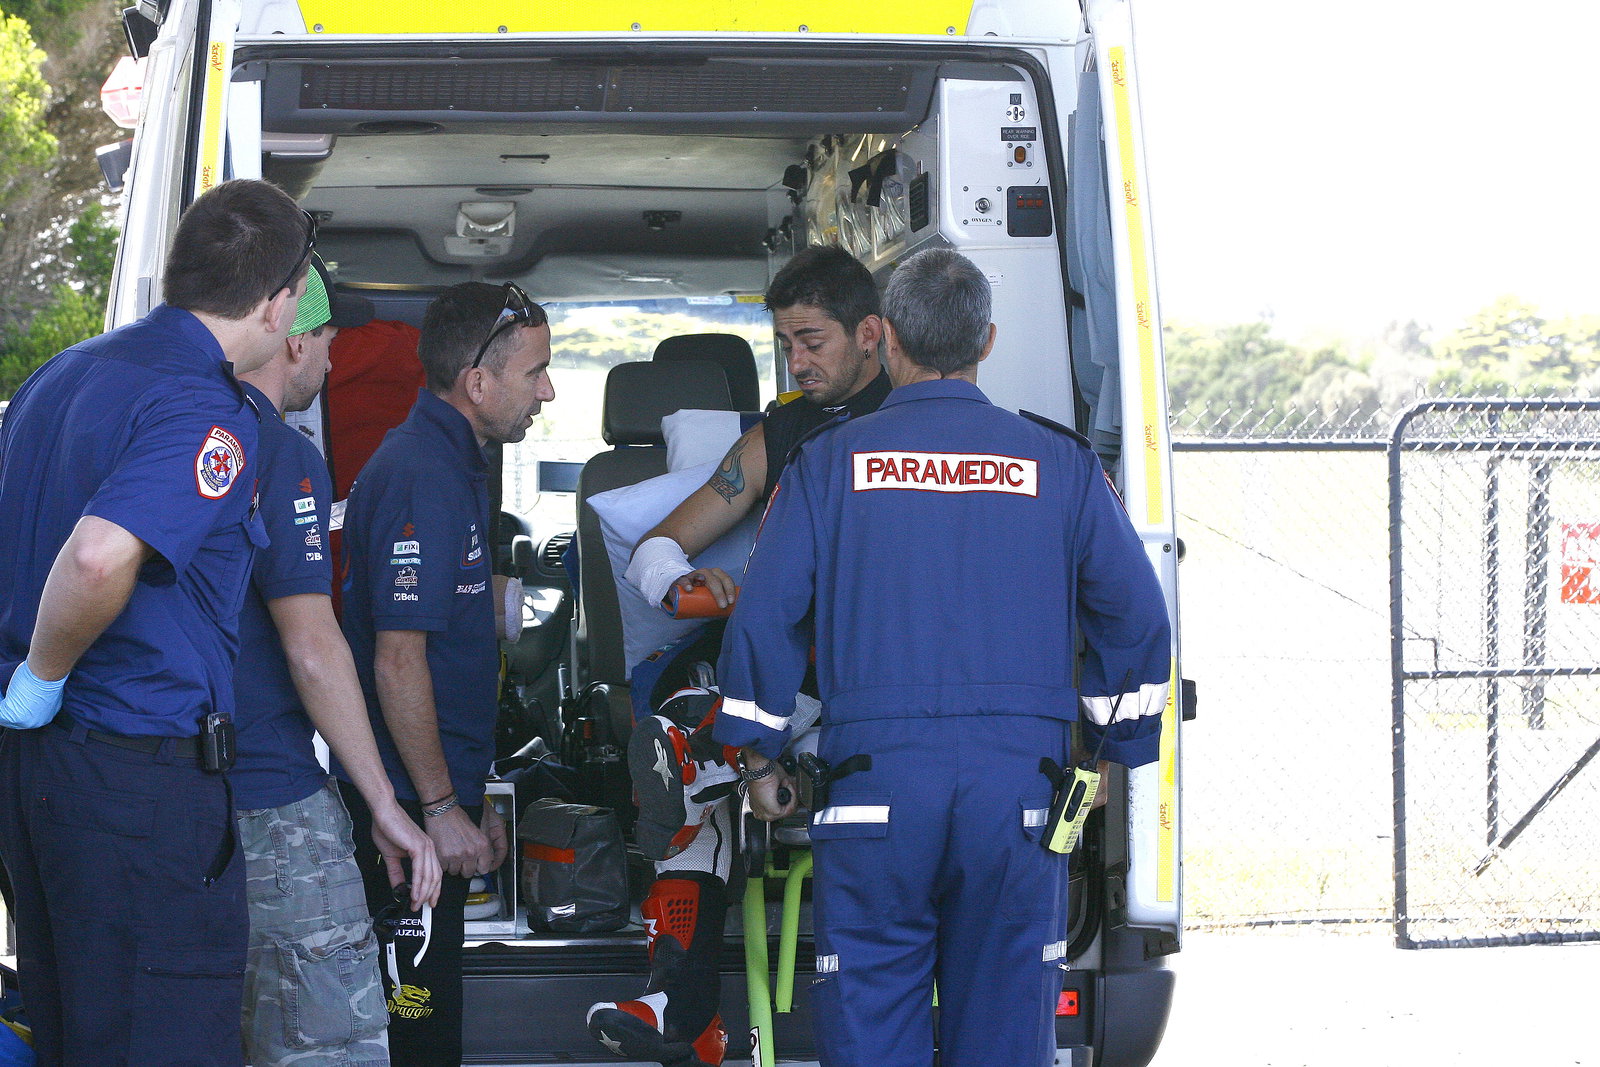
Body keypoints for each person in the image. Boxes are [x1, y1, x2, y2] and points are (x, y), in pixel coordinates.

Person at [712, 248, 1173, 1067]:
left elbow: (763, 617)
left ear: (885, 339)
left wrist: (760, 760)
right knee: (1003, 1034)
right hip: (1022, 801)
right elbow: (1137, 619)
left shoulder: (827, 464)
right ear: (987, 341)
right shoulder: (1061, 464)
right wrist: (1110, 756)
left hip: (872, 791)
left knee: (871, 1028)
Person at [0, 178, 310, 1066]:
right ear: (276, 301)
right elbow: (99, 557)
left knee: (77, 1034)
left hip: (40, 780)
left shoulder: (60, 375)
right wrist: (44, 675)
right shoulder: (205, 409)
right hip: (134, 780)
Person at [588, 245, 889, 1067]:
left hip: (860, 671)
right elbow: (661, 542)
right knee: (701, 750)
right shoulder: (784, 426)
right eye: (784, 340)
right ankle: (683, 1008)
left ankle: (685, 1008)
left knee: (693, 774)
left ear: (870, 334)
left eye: (812, 339)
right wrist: (684, 583)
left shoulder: (911, 420)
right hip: (765, 671)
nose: (795, 359)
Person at [335, 280, 555, 1066]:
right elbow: (399, 659)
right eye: (536, 372)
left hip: (432, 795)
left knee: (432, 1028)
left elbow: (452, 650)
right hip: (402, 817)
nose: (549, 390)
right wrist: (436, 808)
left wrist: (473, 795)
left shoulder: (454, 462)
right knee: (417, 1036)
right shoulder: (422, 472)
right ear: (478, 382)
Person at [233, 256, 443, 1067]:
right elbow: (313, 645)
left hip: (166, 805)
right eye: (327, 341)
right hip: (272, 796)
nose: (331, 362)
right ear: (294, 342)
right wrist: (384, 803)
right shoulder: (282, 457)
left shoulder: (158, 433)